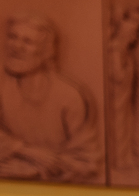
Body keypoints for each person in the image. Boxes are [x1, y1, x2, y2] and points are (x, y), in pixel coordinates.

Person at [0, 13, 102, 182]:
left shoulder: (69, 97)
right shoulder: (3, 89)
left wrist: (35, 171)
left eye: (27, 41)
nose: (16, 47)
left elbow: (88, 163)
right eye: (13, 37)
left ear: (46, 51)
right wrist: (25, 150)